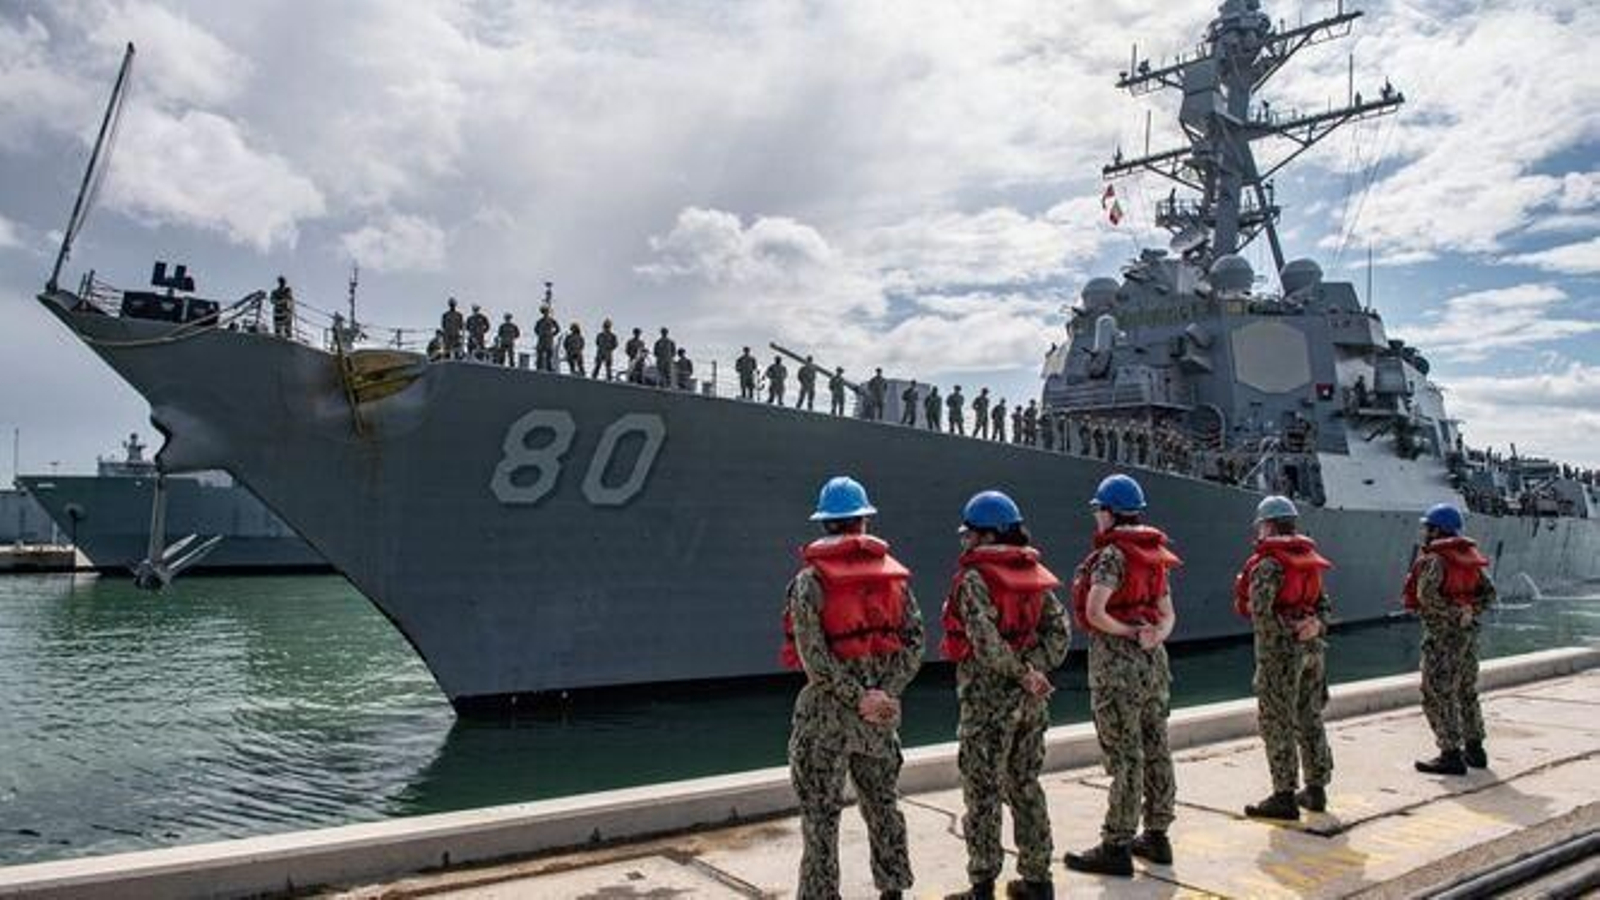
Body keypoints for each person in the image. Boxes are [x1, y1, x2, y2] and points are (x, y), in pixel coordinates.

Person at [780, 476, 922, 900]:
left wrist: (854, 696)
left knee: (821, 816)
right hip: (878, 721)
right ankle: (893, 890)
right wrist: (883, 695)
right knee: (884, 809)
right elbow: (915, 643)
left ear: (826, 524)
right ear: (863, 522)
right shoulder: (894, 578)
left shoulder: (809, 582)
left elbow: (815, 659)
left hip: (825, 720)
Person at [941, 491, 1070, 900]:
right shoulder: (1033, 574)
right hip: (1031, 703)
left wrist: (1019, 672)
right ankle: (1037, 880)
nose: (965, 541)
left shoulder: (975, 580)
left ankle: (981, 887)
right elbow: (1061, 631)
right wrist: (1035, 671)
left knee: (982, 793)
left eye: (970, 534)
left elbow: (983, 642)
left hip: (988, 703)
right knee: (1026, 785)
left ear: (987, 534)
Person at [1064, 474, 1181, 877]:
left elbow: (1096, 611)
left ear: (1110, 513)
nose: (1097, 517)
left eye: (1099, 510)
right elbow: (1168, 615)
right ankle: (1158, 835)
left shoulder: (1113, 555)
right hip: (1154, 664)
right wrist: (1151, 636)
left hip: (1118, 669)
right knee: (1157, 747)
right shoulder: (1154, 555)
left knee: (1125, 755)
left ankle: (1116, 845)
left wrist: (1129, 632)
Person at [1234, 496, 1335, 820]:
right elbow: (1324, 606)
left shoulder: (1268, 565)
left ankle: (1284, 795)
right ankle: (1316, 789)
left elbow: (1262, 615)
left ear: (1267, 525)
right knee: (1310, 718)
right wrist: (1313, 627)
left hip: (1281, 658)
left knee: (1277, 722)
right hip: (1313, 652)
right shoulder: (1309, 561)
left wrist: (1291, 632)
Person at [1405, 503, 1495, 775]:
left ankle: (1450, 753)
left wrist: (1454, 614)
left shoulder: (1434, 560)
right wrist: (1468, 611)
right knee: (1466, 690)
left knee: (1436, 693)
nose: (1425, 533)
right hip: (1468, 636)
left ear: (1437, 530)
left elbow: (1427, 598)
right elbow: (1489, 594)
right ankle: (1475, 749)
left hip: (1442, 638)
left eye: (1428, 528)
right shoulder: (1470, 558)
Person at [534, 305, 560, 371]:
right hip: (542, 339)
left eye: (546, 312)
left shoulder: (552, 321)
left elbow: (558, 329)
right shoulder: (540, 321)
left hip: (548, 340)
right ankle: (538, 367)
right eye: (544, 312)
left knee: (549, 355)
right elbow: (536, 329)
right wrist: (540, 334)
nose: (545, 313)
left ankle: (549, 367)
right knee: (540, 354)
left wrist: (552, 334)